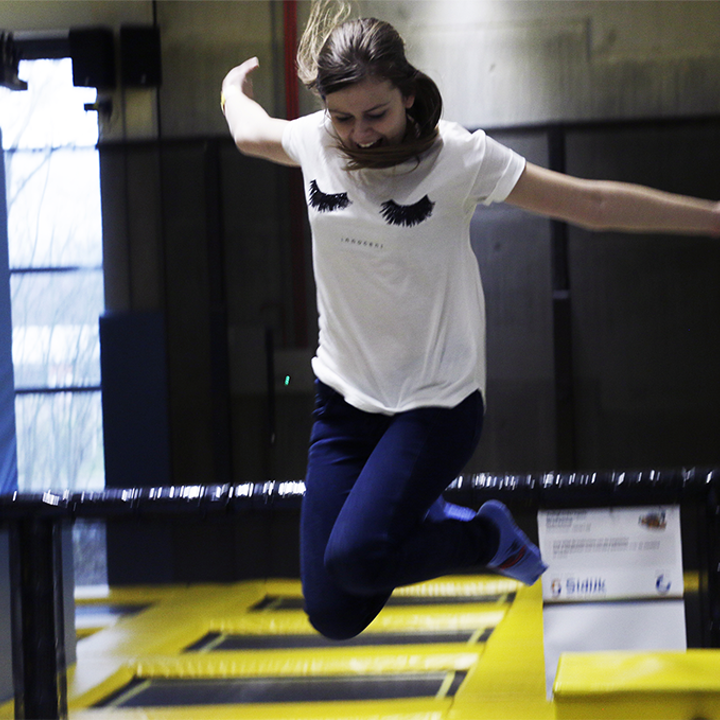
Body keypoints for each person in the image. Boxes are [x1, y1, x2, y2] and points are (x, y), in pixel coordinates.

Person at [222, 3, 720, 641]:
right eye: (344, 117)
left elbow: (591, 203)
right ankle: (430, 517)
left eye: (376, 114)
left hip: (436, 407)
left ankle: (485, 536)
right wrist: (232, 88)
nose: (360, 134)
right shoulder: (317, 140)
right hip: (344, 404)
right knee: (335, 611)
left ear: (408, 95)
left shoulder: (458, 158)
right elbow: (248, 131)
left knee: (356, 557)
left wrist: (709, 217)